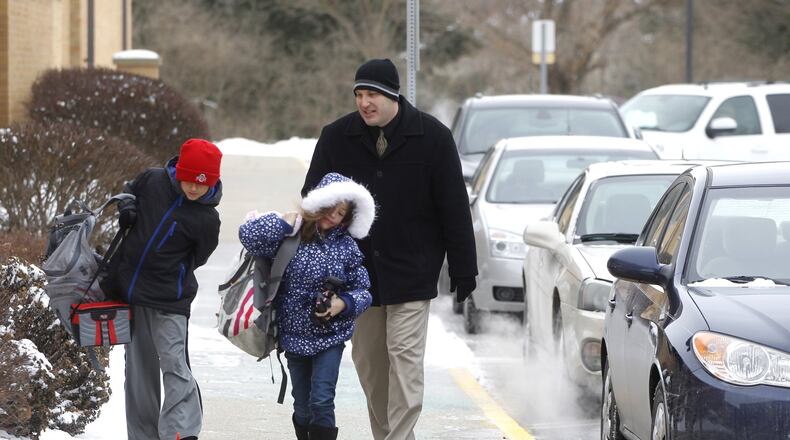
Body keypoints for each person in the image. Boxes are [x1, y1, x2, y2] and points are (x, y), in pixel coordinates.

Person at [301, 58, 478, 440]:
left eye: (373, 94)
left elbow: (453, 207)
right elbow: (311, 200)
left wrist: (465, 268)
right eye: (359, 94)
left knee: (405, 364)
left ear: (393, 94)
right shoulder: (336, 137)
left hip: (413, 271)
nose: (365, 102)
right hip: (355, 277)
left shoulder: (432, 138)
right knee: (371, 367)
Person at [101, 138, 223, 440]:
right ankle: (142, 435)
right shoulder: (153, 181)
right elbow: (129, 189)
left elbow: (200, 256)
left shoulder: (207, 219)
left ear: (212, 182)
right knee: (139, 373)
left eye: (202, 183)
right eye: (189, 180)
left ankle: (180, 432)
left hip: (170, 299)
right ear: (178, 171)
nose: (194, 188)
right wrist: (127, 205)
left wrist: (172, 269)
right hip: (131, 292)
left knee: (174, 363)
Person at [239, 172, 375, 440]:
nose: (333, 217)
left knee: (322, 400)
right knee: (302, 408)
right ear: (318, 203)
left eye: (341, 213)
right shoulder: (291, 235)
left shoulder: (347, 247)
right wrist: (281, 223)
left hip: (330, 337)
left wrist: (341, 304)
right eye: (330, 208)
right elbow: (249, 237)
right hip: (293, 337)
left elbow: (364, 291)